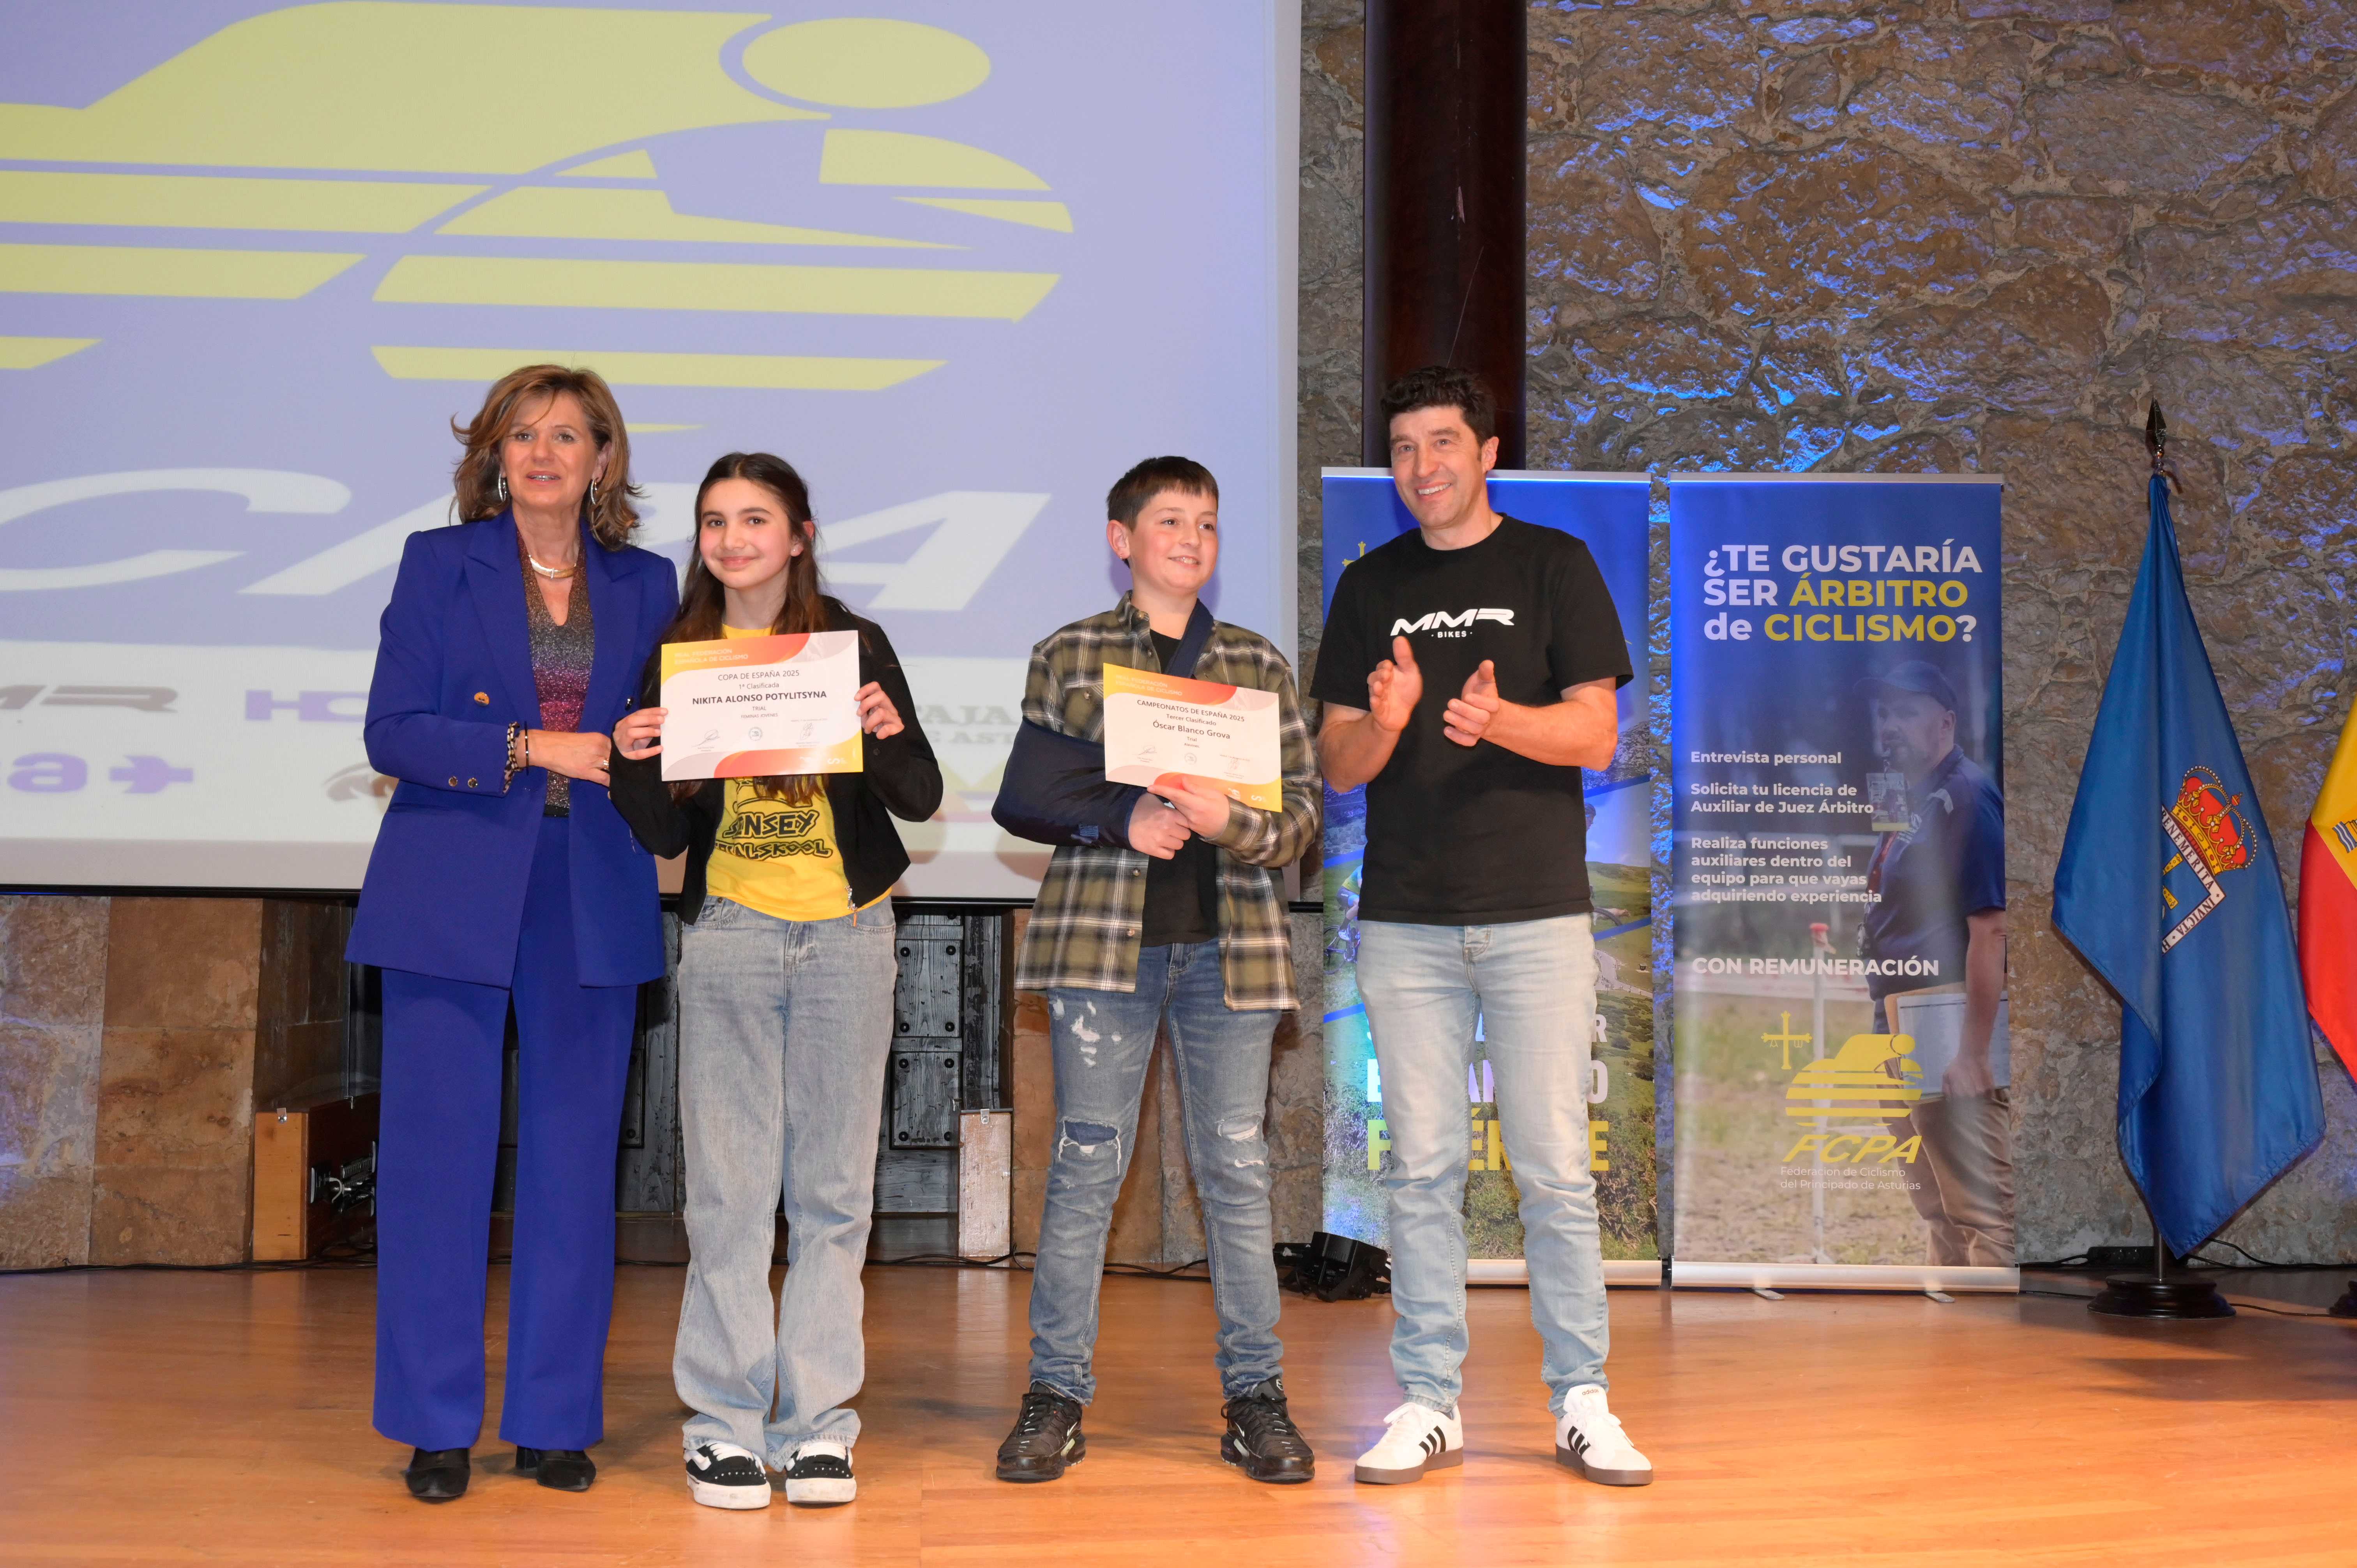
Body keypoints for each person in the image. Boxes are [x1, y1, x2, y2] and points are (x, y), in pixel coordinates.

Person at [1314, 365, 1651, 1488]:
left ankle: (1583, 1401)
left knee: (1555, 1171)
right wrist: (1394, 719)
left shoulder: (1554, 564)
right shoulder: (1371, 585)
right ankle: (1428, 1401)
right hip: (1406, 921)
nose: (1425, 467)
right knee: (1421, 1172)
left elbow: (1598, 735)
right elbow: (1338, 758)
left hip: (1538, 916)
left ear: (1488, 452)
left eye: (1444, 443)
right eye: (1406, 448)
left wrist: (1500, 718)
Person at [348, 364, 679, 1502]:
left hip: (590, 887)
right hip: (451, 884)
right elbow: (393, 729)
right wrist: (535, 750)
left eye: (569, 436)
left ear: (603, 461)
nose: (544, 453)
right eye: (523, 435)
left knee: (577, 1168)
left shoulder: (648, 581)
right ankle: (435, 1423)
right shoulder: (440, 565)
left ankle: (553, 1417)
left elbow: (665, 733)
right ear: (494, 455)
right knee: (438, 1168)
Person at [608, 453, 940, 1510]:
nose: (733, 538)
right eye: (715, 521)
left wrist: (883, 731)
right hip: (733, 936)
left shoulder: (851, 644)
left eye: (757, 518)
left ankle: (820, 1425)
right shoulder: (679, 654)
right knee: (729, 1193)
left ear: (800, 534)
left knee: (837, 1195)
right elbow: (662, 830)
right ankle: (724, 1423)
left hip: (849, 931)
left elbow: (922, 794)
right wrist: (635, 759)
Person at [989, 456, 1321, 1485]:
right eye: (1170, 521)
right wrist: (1118, 812)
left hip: (1232, 949)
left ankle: (1256, 1397)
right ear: (1121, 538)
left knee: (1234, 1168)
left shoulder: (1258, 665)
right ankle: (1055, 1395)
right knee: (1087, 1164)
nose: (1191, 539)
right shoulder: (1072, 654)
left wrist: (1238, 822)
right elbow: (1025, 797)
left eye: (1209, 524)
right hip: (1104, 944)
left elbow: (1304, 816)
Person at [1855, 661, 2011, 1266]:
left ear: (1946, 722)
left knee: (1981, 1209)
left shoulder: (1967, 796)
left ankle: (1988, 1351)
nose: (1890, 725)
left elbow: (1992, 928)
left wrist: (1972, 1051)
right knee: (1936, 1203)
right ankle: (1949, 1338)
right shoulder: (1909, 795)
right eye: (1885, 713)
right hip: (1896, 1013)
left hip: (1941, 1014)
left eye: (1908, 711)